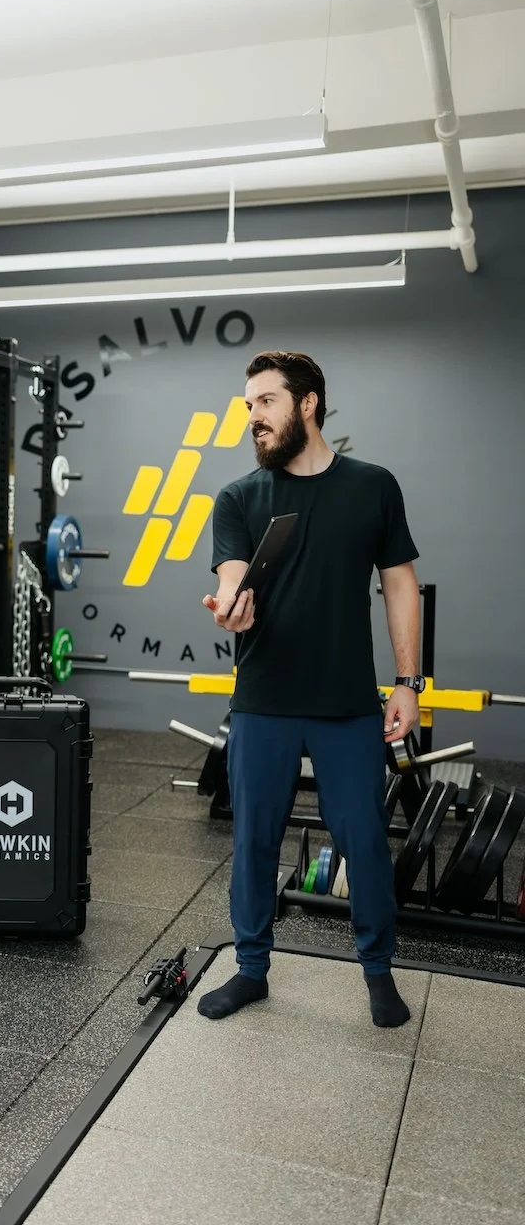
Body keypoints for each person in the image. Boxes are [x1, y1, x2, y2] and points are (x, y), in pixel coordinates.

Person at [200, 350, 421, 1028]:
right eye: (248, 407)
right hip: (263, 699)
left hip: (346, 702)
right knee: (254, 841)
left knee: (363, 839)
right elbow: (235, 575)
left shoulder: (373, 486)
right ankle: (250, 968)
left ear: (307, 404)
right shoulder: (239, 496)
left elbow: (399, 583)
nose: (253, 419)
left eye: (265, 403)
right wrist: (232, 603)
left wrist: (410, 681)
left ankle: (378, 972)